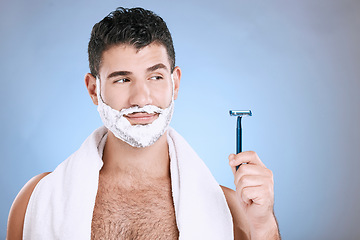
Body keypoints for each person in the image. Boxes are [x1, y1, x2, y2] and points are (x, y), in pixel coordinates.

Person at [7, 7, 280, 240]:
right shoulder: (36, 200)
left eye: (155, 77)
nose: (141, 98)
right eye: (122, 79)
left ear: (175, 83)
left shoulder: (231, 209)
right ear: (93, 90)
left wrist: (263, 225)